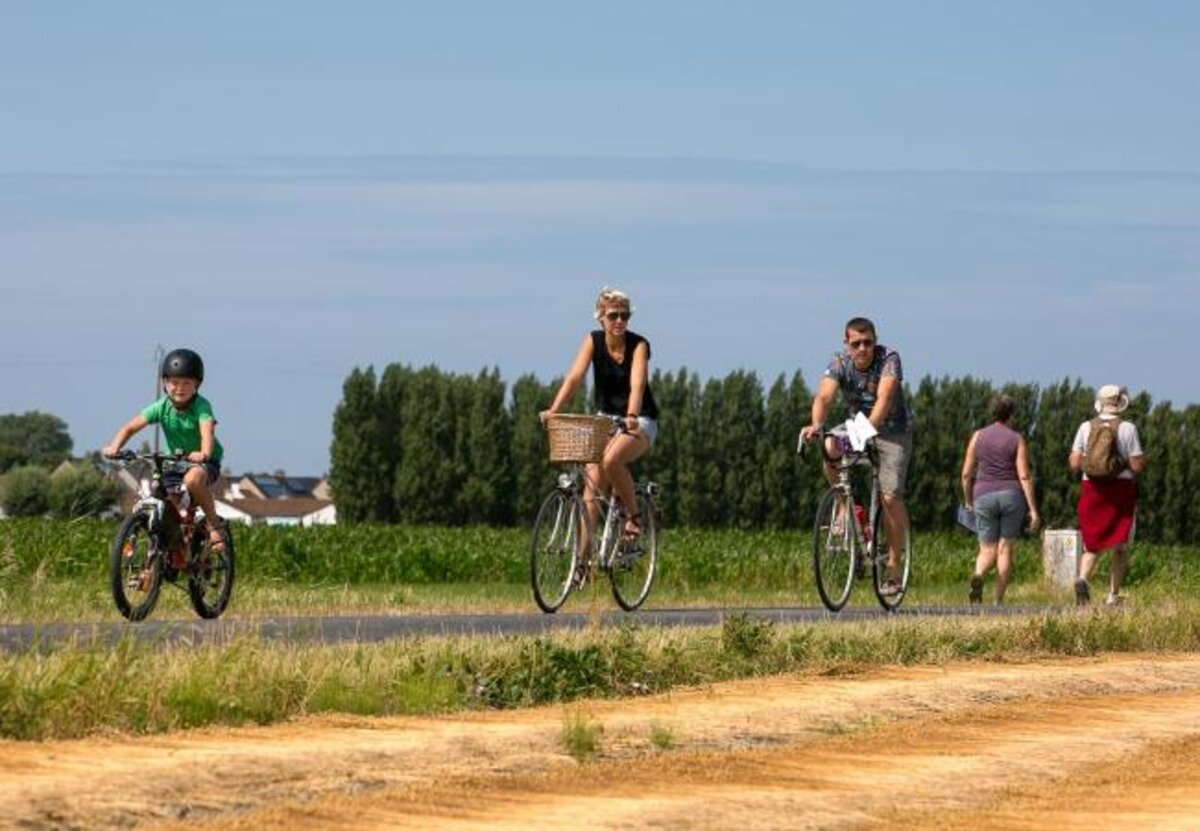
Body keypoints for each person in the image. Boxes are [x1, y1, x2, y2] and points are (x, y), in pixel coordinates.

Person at [540, 287, 659, 564]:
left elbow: (637, 384)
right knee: (591, 490)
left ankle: (633, 517)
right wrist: (554, 409)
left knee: (612, 459)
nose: (619, 321)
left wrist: (631, 414)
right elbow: (574, 377)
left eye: (624, 316)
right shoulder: (593, 341)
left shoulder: (638, 345)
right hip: (604, 418)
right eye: (613, 316)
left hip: (639, 420)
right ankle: (580, 564)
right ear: (600, 319)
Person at [800, 317, 911, 595]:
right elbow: (824, 397)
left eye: (868, 343)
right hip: (858, 426)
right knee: (829, 447)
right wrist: (816, 424)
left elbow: (883, 402)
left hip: (892, 431)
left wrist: (861, 433)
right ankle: (844, 506)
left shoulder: (889, 359)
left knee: (889, 497)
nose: (863, 349)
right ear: (846, 344)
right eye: (856, 343)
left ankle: (894, 569)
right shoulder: (840, 363)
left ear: (875, 341)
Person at [103, 348, 226, 551]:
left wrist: (203, 453)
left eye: (186, 382)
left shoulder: (202, 406)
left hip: (204, 461)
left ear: (197, 384)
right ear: (164, 383)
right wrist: (115, 447)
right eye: (174, 382)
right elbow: (130, 427)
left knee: (193, 479)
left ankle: (214, 524)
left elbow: (207, 432)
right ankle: (168, 552)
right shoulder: (161, 407)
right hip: (174, 462)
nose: (180, 388)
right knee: (159, 498)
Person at [1068, 384, 1145, 607]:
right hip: (1120, 491)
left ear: (1099, 403)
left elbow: (1074, 462)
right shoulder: (1128, 428)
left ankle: (1082, 578)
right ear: (1119, 404)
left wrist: (1093, 465)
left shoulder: (1085, 427)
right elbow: (1137, 465)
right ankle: (1113, 595)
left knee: (1092, 542)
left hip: (1092, 489)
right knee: (1120, 545)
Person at [959, 394, 1040, 605]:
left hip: (983, 494)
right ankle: (997, 602)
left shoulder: (978, 436)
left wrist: (968, 500)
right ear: (1011, 414)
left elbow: (966, 474)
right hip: (1011, 496)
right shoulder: (1016, 439)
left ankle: (978, 574)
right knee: (1005, 548)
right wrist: (1033, 509)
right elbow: (1024, 475)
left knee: (987, 548)